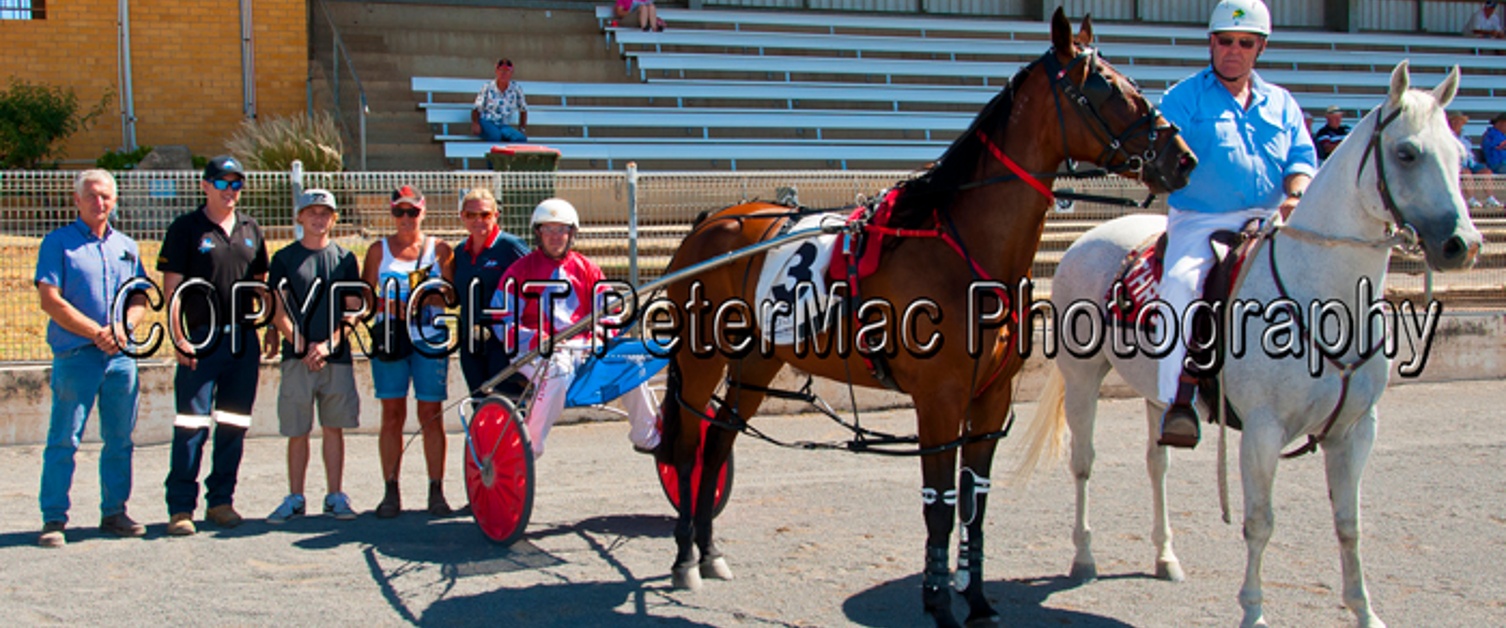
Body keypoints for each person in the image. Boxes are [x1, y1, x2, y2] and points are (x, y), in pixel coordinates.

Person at [1155, 0, 1317, 449]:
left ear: (1260, 48)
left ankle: (1319, 393)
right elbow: (1164, 153)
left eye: (1245, 43)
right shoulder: (1183, 97)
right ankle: (1177, 402)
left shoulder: (1281, 102)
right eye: (1225, 41)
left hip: (1270, 218)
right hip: (1201, 220)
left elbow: (1302, 158)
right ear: (1211, 43)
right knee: (1180, 285)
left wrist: (1296, 194)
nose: (1234, 50)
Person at [489, 199, 661, 459]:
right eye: (549, 229)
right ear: (538, 233)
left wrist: (600, 336)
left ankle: (647, 436)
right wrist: (537, 339)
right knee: (557, 369)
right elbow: (501, 318)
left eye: (562, 230)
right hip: (536, 351)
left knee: (632, 364)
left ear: (572, 234)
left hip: (584, 347)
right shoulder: (520, 271)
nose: (555, 236)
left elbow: (611, 313)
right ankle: (529, 449)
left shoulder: (588, 269)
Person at [33, 169, 150, 547]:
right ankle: (54, 519)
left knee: (120, 439)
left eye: (106, 197)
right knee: (64, 438)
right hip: (76, 356)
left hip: (119, 359)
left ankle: (114, 511)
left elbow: (139, 297)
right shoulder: (58, 244)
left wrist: (122, 328)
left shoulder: (127, 246)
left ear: (115, 201)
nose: (100, 203)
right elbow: (50, 300)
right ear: (77, 200)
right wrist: (95, 332)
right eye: (93, 196)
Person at [159, 156, 271, 535]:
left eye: (236, 184)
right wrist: (178, 336)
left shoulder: (250, 228)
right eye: (222, 184)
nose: (229, 191)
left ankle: (221, 501)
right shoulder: (185, 229)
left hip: (242, 339)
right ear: (205, 186)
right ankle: (181, 508)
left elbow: (260, 283)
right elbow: (172, 288)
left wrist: (270, 326)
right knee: (191, 424)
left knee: (233, 423)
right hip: (201, 338)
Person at [264, 189, 363, 524]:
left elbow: (353, 310)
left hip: (335, 359)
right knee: (298, 430)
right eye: (312, 212)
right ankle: (295, 497)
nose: (318, 219)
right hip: (297, 359)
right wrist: (302, 342)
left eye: (325, 213)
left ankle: (335, 495)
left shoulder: (346, 259)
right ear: (300, 217)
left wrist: (329, 344)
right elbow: (276, 309)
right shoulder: (284, 259)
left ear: (333, 219)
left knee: (333, 427)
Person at [363, 185, 456, 518]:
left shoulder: (440, 249)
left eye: (412, 212)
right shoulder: (378, 250)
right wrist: (389, 304)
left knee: (431, 415)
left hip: (429, 338)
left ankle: (436, 490)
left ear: (423, 212)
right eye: (399, 212)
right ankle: (391, 489)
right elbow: (362, 298)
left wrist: (423, 300)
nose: (406, 218)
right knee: (392, 415)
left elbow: (451, 296)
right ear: (391, 213)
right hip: (390, 338)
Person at [452, 188, 529, 400]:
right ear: (462, 217)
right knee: (478, 401)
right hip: (471, 340)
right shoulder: (460, 252)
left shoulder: (510, 247)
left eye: (485, 214)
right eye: (471, 215)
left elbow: (536, 282)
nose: (478, 220)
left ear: (495, 215)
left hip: (503, 341)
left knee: (508, 402)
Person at [470, 58, 529, 143]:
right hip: (487, 121)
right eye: (501, 70)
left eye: (507, 71)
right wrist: (475, 123)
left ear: (511, 73)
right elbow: (477, 107)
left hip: (503, 125)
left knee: (520, 139)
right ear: (496, 71)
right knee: (495, 135)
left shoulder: (516, 89)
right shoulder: (488, 87)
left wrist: (522, 129)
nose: (503, 74)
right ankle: (491, 155)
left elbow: (523, 109)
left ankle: (508, 156)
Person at [1448, 112, 1498, 209]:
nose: (1456, 123)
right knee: (1466, 172)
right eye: (1453, 121)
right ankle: (1471, 199)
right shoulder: (1447, 135)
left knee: (1486, 172)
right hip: (1456, 164)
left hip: (1471, 162)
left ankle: (1490, 199)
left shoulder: (1465, 135)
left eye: (1459, 121)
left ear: (1463, 123)